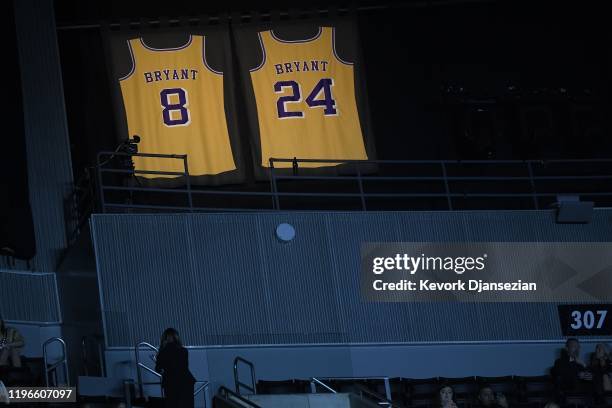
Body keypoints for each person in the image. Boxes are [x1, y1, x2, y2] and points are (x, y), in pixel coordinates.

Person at [154, 328, 195, 408]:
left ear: (164, 338)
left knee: (173, 404)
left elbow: (158, 368)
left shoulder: (163, 351)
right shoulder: (183, 350)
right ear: (177, 337)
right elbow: (184, 366)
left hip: (171, 383)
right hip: (186, 381)